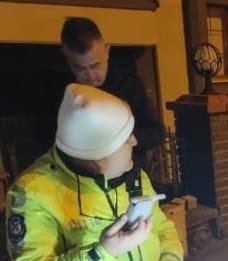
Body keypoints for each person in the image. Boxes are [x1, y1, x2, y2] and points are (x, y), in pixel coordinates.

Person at [5, 83, 185, 261]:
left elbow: (162, 226)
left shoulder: (132, 176)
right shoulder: (33, 194)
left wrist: (171, 258)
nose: (135, 141)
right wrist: (103, 251)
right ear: (98, 155)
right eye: (125, 138)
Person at [60, 17, 164, 160]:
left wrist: (126, 139)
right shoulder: (63, 93)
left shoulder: (130, 85)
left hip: (130, 172)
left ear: (107, 51)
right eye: (79, 68)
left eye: (95, 65)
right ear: (68, 59)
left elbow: (156, 133)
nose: (90, 76)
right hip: (81, 176)